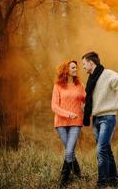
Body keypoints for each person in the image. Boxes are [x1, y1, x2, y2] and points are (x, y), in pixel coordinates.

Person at [81, 52, 118, 188]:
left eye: (84, 64)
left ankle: (101, 183)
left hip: (108, 118)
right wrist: (84, 108)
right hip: (96, 119)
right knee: (106, 150)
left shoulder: (108, 74)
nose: (83, 67)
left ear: (91, 63)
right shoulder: (91, 79)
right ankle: (114, 180)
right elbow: (91, 99)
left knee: (101, 150)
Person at [51, 60, 86, 188]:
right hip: (60, 123)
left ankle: (63, 181)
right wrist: (67, 114)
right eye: (73, 67)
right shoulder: (58, 86)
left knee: (69, 150)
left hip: (76, 122)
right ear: (66, 70)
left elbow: (86, 100)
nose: (76, 69)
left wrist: (86, 106)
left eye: (76, 67)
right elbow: (54, 106)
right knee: (69, 151)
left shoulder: (80, 85)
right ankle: (78, 174)